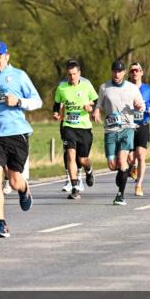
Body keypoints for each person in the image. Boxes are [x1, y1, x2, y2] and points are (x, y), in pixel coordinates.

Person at [0, 41, 42, 238]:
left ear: (7, 57)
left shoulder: (19, 76)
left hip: (17, 133)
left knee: (14, 181)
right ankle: (2, 223)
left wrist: (19, 101)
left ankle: (24, 189)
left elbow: (37, 101)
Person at [93, 60, 145, 206]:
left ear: (124, 73)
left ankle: (120, 195)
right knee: (112, 165)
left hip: (127, 128)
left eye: (120, 71)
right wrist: (97, 111)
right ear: (112, 72)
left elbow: (141, 106)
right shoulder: (104, 87)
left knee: (122, 160)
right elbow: (99, 104)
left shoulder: (132, 88)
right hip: (110, 130)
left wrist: (139, 106)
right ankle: (125, 171)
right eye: (115, 71)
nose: (117, 74)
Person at [52, 59, 98, 200]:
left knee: (82, 159)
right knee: (70, 155)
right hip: (69, 126)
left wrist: (90, 108)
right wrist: (55, 113)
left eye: (74, 74)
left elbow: (96, 101)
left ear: (79, 73)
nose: (72, 77)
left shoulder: (86, 86)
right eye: (69, 74)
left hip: (84, 127)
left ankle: (89, 170)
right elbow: (57, 103)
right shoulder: (62, 88)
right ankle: (75, 187)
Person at [126, 62, 150, 197]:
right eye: (132, 70)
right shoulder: (125, 88)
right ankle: (132, 166)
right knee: (129, 158)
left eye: (137, 70)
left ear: (141, 73)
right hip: (128, 126)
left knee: (141, 155)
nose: (135, 73)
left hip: (143, 125)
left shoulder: (148, 89)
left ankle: (139, 185)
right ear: (129, 73)